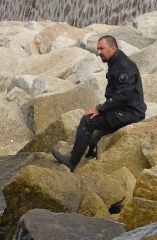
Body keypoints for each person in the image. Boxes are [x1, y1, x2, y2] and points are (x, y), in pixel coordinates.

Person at [52, 35, 146, 172]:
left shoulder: (124, 66)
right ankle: (92, 150)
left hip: (130, 113)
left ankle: (72, 162)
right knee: (99, 133)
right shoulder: (116, 61)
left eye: (102, 49)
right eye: (97, 49)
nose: (99, 52)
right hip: (124, 110)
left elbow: (123, 96)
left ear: (113, 48)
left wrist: (100, 109)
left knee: (88, 120)